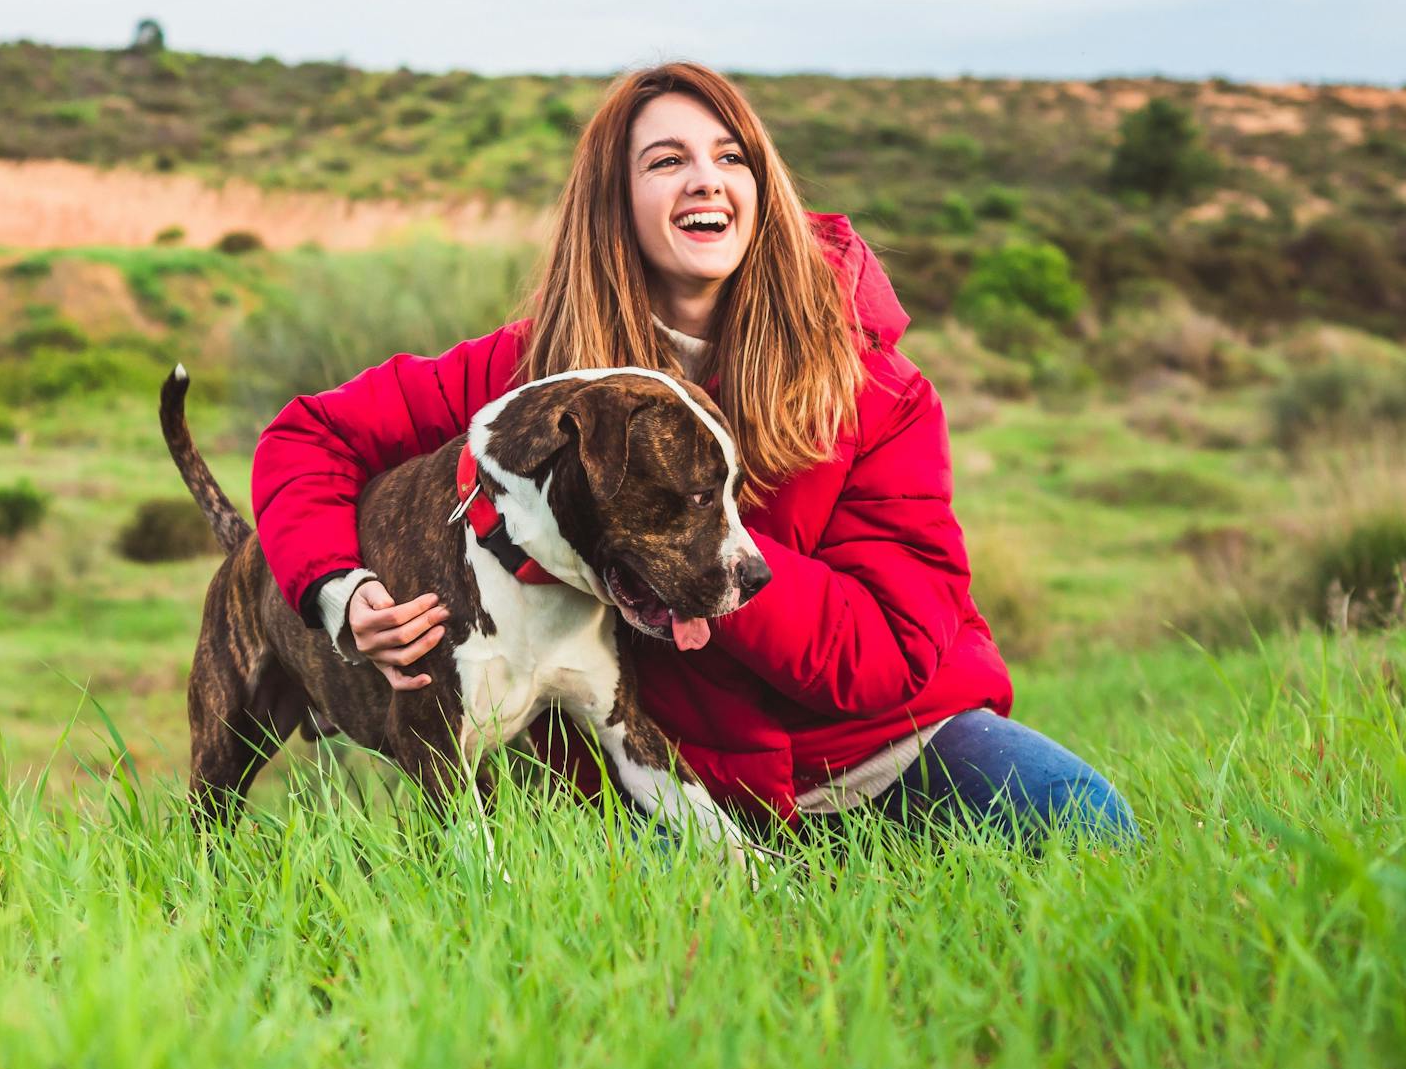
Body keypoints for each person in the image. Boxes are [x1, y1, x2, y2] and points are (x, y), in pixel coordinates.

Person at [250, 62, 1136, 844]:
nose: (705, 179)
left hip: (881, 751)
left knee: (1090, 823)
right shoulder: (535, 383)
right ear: (615, 201)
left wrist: (701, 557)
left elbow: (890, 652)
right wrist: (340, 592)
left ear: (762, 188)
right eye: (666, 161)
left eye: (731, 156)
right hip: (649, 784)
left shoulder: (874, 389)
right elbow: (309, 438)